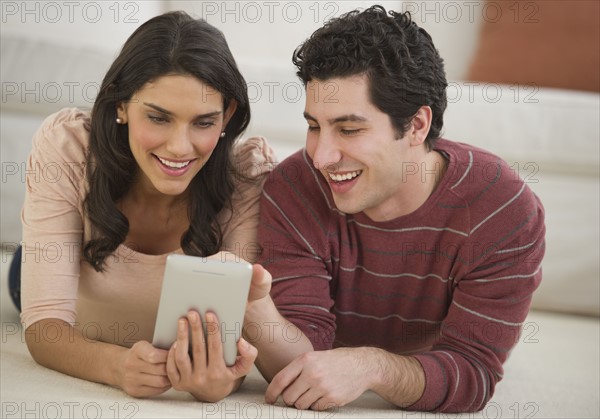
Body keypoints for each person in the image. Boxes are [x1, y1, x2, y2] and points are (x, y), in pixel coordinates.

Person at [244, 5, 546, 413]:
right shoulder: (294, 187)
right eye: (315, 126)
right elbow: (302, 358)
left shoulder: (502, 210)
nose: (321, 156)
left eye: (349, 129)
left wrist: (374, 367)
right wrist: (251, 304)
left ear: (418, 125)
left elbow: (473, 373)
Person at [13, 11, 274, 402]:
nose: (179, 147)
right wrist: (115, 366)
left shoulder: (246, 173)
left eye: (203, 122)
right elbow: (44, 327)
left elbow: (232, 336)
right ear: (121, 104)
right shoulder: (67, 147)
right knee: (24, 271)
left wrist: (222, 381)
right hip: (73, 274)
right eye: (158, 117)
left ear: (228, 115)